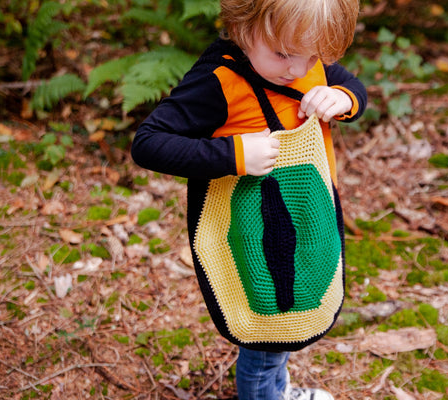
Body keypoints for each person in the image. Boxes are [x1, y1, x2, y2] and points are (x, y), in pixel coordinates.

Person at [131, 0, 367, 398]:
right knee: (268, 336)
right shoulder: (220, 80)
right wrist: (233, 155)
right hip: (253, 233)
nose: (297, 70)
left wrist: (343, 98)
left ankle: (278, 388)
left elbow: (352, 86)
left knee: (292, 320)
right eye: (283, 54)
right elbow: (149, 143)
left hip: (310, 215)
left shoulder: (305, 58)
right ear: (243, 26)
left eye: (312, 56)